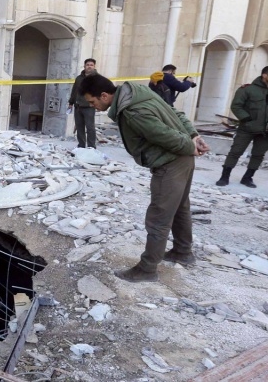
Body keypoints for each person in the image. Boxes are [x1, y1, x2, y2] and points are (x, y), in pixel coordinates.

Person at [79, 73, 210, 282]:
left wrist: (190, 145)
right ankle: (182, 251)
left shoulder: (132, 111)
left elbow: (163, 134)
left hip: (170, 162)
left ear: (104, 95)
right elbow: (175, 112)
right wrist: (194, 136)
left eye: (92, 102)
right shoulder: (138, 92)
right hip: (183, 160)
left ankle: (147, 269)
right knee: (180, 207)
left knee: (159, 217)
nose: (93, 107)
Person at [215, 66, 268, 189]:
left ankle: (247, 178)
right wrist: (247, 120)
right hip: (247, 129)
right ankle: (224, 176)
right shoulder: (247, 89)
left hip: (265, 132)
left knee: (258, 155)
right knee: (235, 152)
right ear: (264, 75)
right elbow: (236, 106)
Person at [68, 58, 98, 148]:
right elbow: (74, 91)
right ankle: (81, 145)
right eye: (87, 65)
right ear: (84, 66)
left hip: (89, 107)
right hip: (78, 106)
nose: (89, 67)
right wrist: (71, 102)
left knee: (90, 128)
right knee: (79, 127)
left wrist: (98, 105)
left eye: (91, 65)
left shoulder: (97, 79)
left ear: (94, 67)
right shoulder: (79, 78)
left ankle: (91, 147)